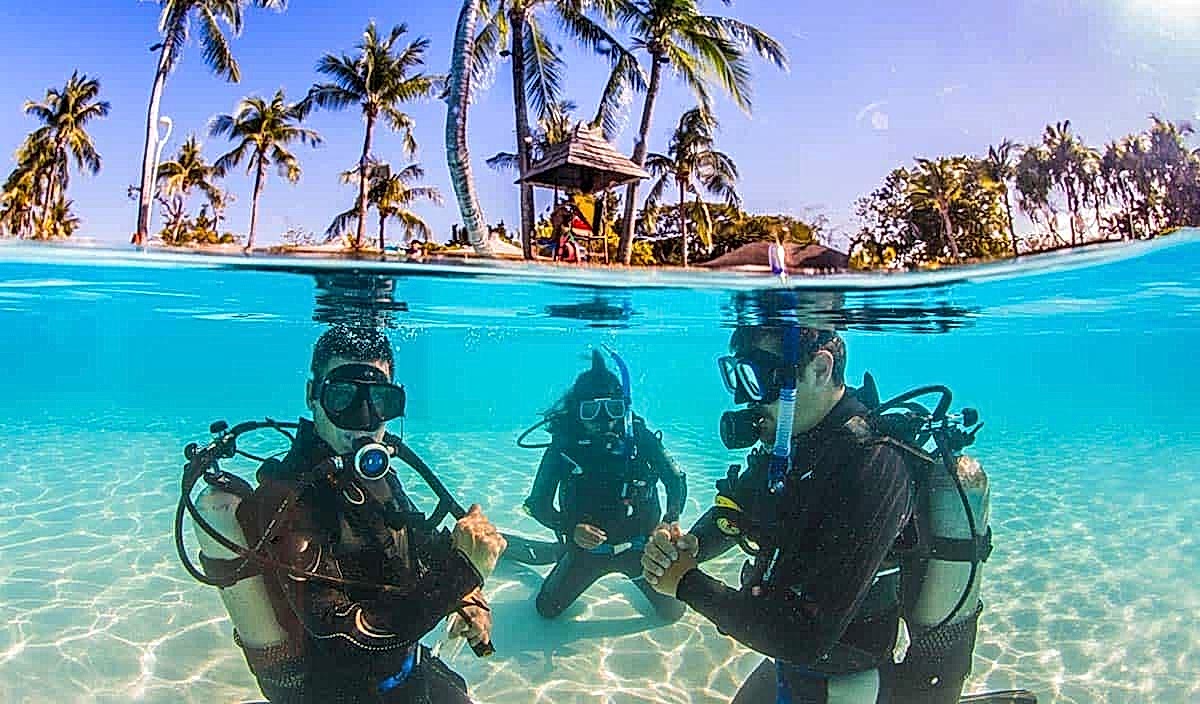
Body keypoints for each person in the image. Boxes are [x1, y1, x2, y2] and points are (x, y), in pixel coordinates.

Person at [190, 325, 506, 703]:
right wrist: (462, 573)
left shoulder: (372, 471)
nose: (364, 420)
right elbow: (347, 644)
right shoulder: (287, 500)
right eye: (343, 398)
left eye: (381, 401)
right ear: (313, 396)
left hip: (407, 672)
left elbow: (416, 542)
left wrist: (469, 598)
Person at [641, 324, 916, 702]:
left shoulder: (874, 465)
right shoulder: (794, 445)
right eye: (737, 378)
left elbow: (805, 637)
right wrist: (688, 546)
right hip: (790, 660)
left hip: (846, 678)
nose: (744, 399)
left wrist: (687, 584)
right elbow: (735, 510)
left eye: (758, 378)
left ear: (820, 370)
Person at [518, 348, 688, 622]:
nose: (604, 419)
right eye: (591, 411)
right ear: (577, 411)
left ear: (624, 407)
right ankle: (558, 552)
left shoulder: (640, 439)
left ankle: (563, 553)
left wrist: (670, 520)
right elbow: (537, 504)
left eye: (613, 408)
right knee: (547, 610)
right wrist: (570, 529)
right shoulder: (564, 447)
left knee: (673, 613)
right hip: (587, 551)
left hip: (641, 548)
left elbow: (676, 480)